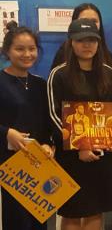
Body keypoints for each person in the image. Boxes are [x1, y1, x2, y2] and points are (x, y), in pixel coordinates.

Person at [48, 18, 112, 230]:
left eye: (92, 40)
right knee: (72, 211)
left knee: (96, 209)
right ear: (71, 42)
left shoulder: (108, 73)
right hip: (71, 155)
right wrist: (80, 145)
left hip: (101, 154)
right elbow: (53, 115)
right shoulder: (59, 74)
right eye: (81, 40)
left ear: (98, 43)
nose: (87, 45)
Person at [0, 22, 54, 230]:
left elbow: (47, 124)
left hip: (38, 163)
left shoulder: (41, 84)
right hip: (10, 166)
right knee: (16, 221)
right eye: (19, 49)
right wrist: (7, 133)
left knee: (39, 221)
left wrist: (49, 145)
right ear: (7, 51)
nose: (27, 54)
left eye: (31, 49)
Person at [50, 3, 112, 72]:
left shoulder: (108, 56)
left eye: (94, 21)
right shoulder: (63, 54)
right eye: (84, 20)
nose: (89, 24)